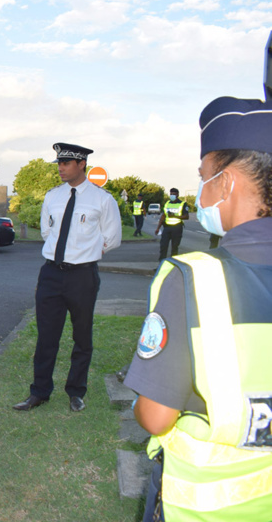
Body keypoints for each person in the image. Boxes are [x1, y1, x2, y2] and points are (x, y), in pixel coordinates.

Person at [124, 96, 272, 520]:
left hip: (199, 506)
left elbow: (155, 417)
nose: (202, 189)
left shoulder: (193, 277)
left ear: (226, 183)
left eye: (205, 177)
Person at [13, 143, 122, 412]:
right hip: (51, 273)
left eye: (66, 163)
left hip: (82, 275)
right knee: (46, 336)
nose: (60, 168)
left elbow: (112, 237)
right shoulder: (53, 196)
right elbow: (46, 231)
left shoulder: (102, 199)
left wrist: (87, 252)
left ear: (81, 164)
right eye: (59, 163)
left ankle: (76, 392)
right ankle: (39, 392)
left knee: (82, 336)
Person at [155, 187, 189, 260]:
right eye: (171, 194)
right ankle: (161, 263)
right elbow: (163, 216)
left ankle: (173, 265)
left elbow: (186, 216)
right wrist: (158, 228)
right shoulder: (167, 203)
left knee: (174, 247)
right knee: (163, 246)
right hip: (167, 228)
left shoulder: (182, 204)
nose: (172, 196)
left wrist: (175, 216)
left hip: (177, 228)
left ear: (177, 195)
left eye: (174, 194)